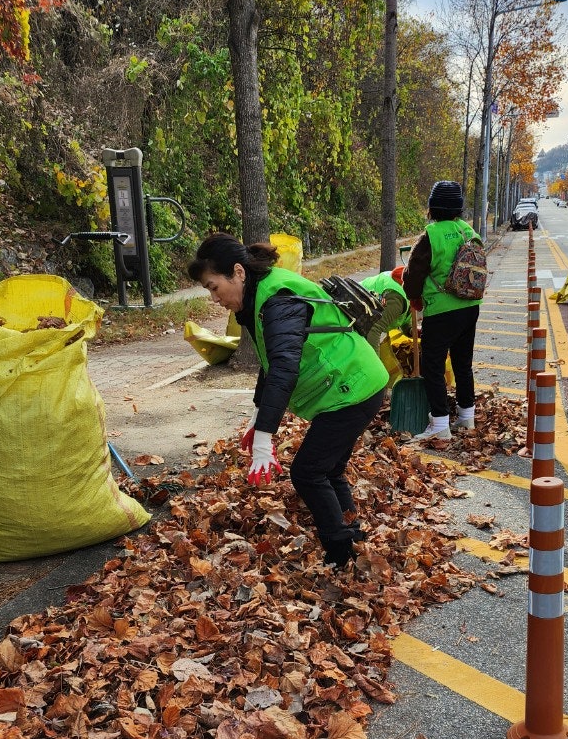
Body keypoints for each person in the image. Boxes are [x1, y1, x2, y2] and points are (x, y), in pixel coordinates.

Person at [187, 233, 388, 568]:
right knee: (329, 469)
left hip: (352, 387)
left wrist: (266, 433)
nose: (213, 298)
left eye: (213, 286)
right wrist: (257, 412)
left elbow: (284, 366)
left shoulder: (277, 300)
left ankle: (340, 555)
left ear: (237, 272)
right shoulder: (262, 293)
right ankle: (351, 538)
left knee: (308, 473)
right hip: (356, 382)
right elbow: (271, 361)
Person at [401, 180, 482, 439]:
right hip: (470, 307)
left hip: (441, 309)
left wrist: (414, 297)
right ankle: (467, 416)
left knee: (432, 365)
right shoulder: (469, 232)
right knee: (462, 362)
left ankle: (439, 425)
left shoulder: (431, 235)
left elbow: (413, 275)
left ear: (432, 208)